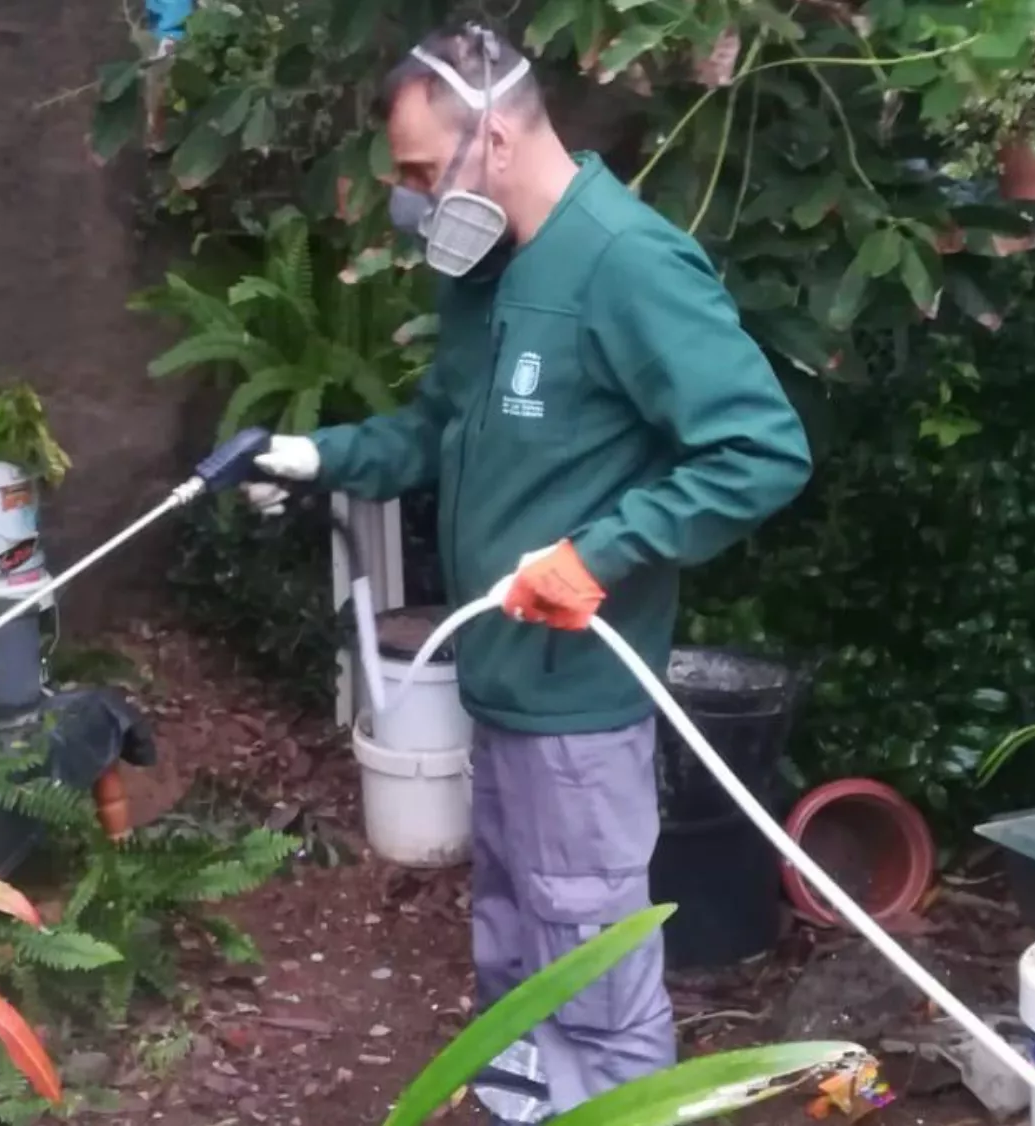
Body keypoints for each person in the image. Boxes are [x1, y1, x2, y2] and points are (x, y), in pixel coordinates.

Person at [241, 23, 813, 1121]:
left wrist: (597, 552)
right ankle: (523, 1105)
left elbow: (758, 450)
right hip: (499, 680)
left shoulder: (625, 261)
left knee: (588, 955)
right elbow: (438, 431)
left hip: (578, 702)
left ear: (493, 135)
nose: (407, 201)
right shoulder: (487, 268)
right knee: (513, 932)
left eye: (417, 173)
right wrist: (317, 457)